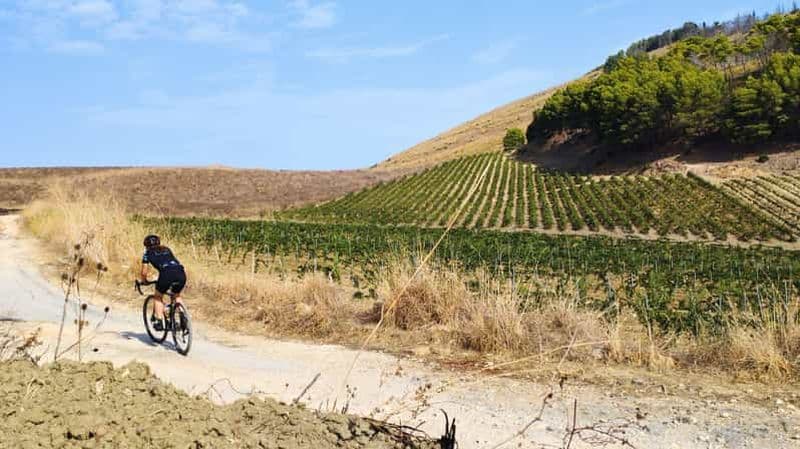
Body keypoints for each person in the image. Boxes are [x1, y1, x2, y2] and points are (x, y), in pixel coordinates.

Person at [140, 235, 187, 331]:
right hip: (180, 272)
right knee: (176, 295)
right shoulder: (166, 249)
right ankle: (183, 316)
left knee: (158, 297)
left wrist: (144, 281)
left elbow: (144, 272)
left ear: (146, 245)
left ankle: (159, 321)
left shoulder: (147, 253)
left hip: (166, 274)